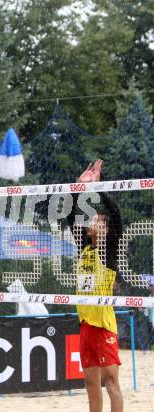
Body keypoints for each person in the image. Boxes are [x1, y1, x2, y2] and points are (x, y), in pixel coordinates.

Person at [67, 159, 123, 412]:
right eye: (92, 221)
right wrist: (78, 188)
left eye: (98, 220)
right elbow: (69, 217)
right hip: (86, 325)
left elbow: (116, 215)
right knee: (90, 382)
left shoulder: (108, 251)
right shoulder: (84, 248)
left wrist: (99, 188)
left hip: (103, 325)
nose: (93, 223)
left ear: (106, 228)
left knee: (111, 381)